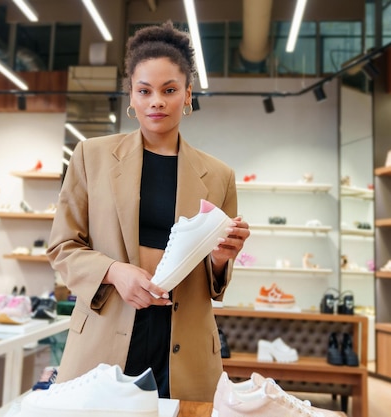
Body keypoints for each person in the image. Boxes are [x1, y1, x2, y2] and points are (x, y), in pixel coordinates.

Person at [45, 21, 250, 403]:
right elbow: (62, 247)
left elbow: (215, 281)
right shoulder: (91, 157)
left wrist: (222, 260)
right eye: (145, 91)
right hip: (106, 334)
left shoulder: (219, 176)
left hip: (185, 343)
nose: (157, 101)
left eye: (169, 90)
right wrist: (114, 271)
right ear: (132, 97)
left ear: (187, 95)